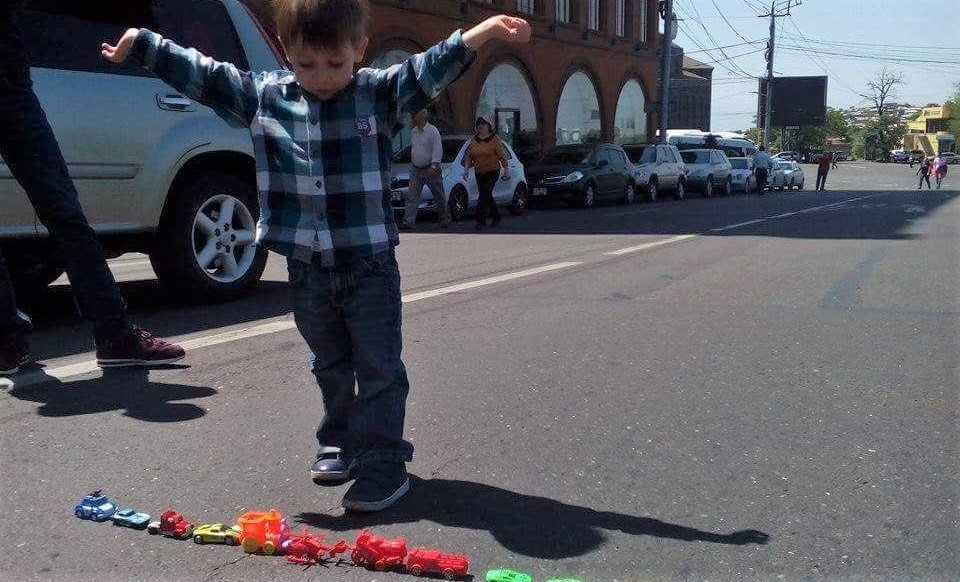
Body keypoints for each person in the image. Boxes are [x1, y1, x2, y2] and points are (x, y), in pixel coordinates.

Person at [102, 0, 531, 512]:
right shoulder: (265, 97)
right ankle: (340, 440)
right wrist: (145, 43)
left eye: (335, 63)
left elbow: (430, 66)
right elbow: (206, 76)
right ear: (286, 54)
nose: (321, 77)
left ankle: (382, 463)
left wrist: (482, 32)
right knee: (328, 362)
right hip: (306, 271)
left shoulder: (379, 93)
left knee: (377, 368)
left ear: (360, 51)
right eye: (306, 64)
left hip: (369, 267)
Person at [0, 2, 184, 376]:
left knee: (65, 213)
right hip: (14, 89)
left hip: (12, 91)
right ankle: (5, 340)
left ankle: (115, 336)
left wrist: (140, 19)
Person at [401, 108, 449, 230]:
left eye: (414, 115)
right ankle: (408, 221)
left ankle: (444, 218)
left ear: (422, 116)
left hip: (430, 168)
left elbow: (437, 149)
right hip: (416, 169)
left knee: (438, 194)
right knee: (412, 196)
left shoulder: (433, 131)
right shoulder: (414, 131)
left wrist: (434, 165)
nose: (412, 118)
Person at [462, 117, 509, 229]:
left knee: (484, 193)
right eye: (479, 125)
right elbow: (469, 156)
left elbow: (502, 155)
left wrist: (506, 170)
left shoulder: (494, 139)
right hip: (479, 171)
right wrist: (466, 170)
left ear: (489, 126)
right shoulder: (474, 140)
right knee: (486, 195)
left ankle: (480, 221)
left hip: (492, 170)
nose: (481, 127)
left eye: (483, 125)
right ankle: (496, 217)